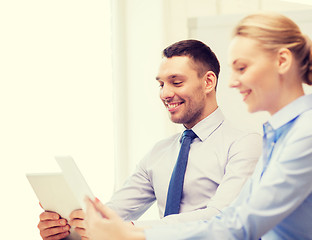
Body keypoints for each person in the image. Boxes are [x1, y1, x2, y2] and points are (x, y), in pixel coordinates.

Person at [83, 12, 312, 240]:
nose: (232, 82)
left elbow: (240, 225)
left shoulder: (305, 133)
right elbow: (233, 217)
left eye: (242, 68)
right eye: (161, 84)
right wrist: (81, 223)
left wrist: (135, 234)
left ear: (282, 61)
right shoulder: (277, 135)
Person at [37, 40, 261, 240]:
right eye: (161, 84)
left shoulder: (245, 144)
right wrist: (69, 230)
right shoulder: (159, 153)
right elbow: (113, 213)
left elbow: (220, 217)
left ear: (208, 82)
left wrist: (129, 231)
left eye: (176, 82)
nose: (165, 94)